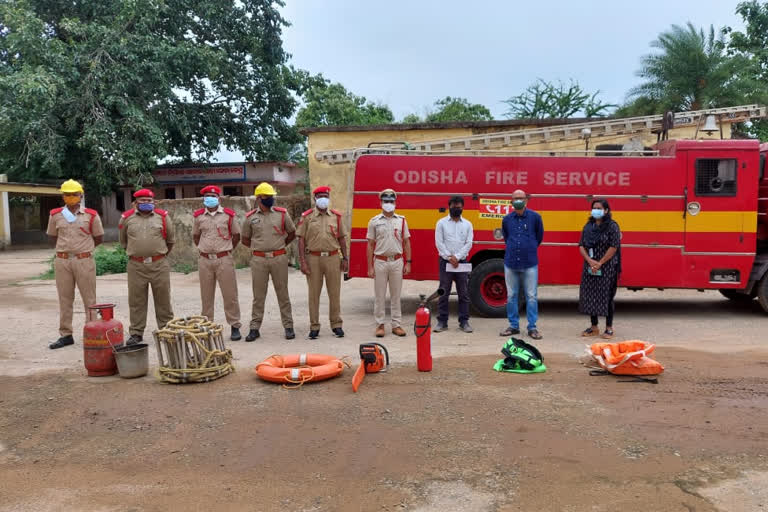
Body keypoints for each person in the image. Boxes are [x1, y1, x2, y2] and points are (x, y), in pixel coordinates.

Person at [46, 179, 104, 349]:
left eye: (74, 194)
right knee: (64, 298)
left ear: (80, 195)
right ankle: (66, 335)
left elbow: (99, 237)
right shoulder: (55, 214)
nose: (70, 197)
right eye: (67, 194)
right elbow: (52, 236)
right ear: (63, 196)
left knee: (89, 298)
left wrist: (83, 250)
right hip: (62, 260)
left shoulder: (91, 215)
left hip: (84, 260)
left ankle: (91, 332)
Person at [241, 182, 296, 341]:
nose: (270, 199)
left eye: (271, 197)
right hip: (258, 260)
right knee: (258, 295)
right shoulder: (250, 217)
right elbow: (245, 239)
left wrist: (279, 246)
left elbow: (291, 233)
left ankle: (288, 326)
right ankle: (254, 328)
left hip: (279, 258)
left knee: (283, 293)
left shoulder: (282, 214)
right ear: (259, 198)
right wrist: (260, 248)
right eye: (267, 197)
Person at [119, 189, 175, 345]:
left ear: (154, 202)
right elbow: (123, 241)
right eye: (142, 201)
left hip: (159, 264)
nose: (146, 203)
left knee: (163, 299)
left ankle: (166, 330)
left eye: (149, 201)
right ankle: (136, 333)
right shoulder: (126, 218)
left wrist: (157, 256)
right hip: (136, 265)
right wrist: (139, 254)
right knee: (136, 301)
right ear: (136, 203)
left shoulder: (163, 217)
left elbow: (170, 241)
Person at [296, 186, 348, 340]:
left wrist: (346, 258)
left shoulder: (336, 217)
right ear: (315, 199)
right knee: (313, 294)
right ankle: (314, 326)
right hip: (313, 258)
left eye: (325, 196)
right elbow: (301, 240)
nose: (323, 199)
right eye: (320, 196)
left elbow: (342, 239)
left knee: (334, 293)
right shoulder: (307, 217)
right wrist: (303, 262)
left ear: (329, 198)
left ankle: (336, 325)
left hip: (333, 258)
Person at [193, 185, 242, 341]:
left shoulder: (228, 215)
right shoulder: (198, 216)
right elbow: (196, 236)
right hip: (205, 260)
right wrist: (206, 249)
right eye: (207, 195)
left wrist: (226, 250)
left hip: (224, 259)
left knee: (230, 294)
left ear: (219, 198)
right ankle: (207, 326)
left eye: (213, 196)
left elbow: (236, 235)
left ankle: (235, 325)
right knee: (206, 295)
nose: (210, 198)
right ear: (203, 199)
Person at [366, 188, 412, 337]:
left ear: (395, 203)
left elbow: (406, 242)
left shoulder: (402, 220)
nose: (388, 204)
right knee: (379, 296)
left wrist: (408, 262)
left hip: (397, 261)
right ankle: (380, 325)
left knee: (396, 295)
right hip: (380, 262)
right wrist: (370, 267)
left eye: (391, 201)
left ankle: (396, 325)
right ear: (381, 203)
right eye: (386, 201)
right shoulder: (374, 221)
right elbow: (370, 245)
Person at [500, 189, 544, 340]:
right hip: (511, 262)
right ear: (511, 201)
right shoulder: (506, 219)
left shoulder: (535, 217)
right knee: (511, 295)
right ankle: (513, 326)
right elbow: (507, 238)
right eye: (515, 198)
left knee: (531, 296)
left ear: (526, 200)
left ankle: (532, 327)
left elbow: (539, 237)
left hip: (530, 263)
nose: (518, 200)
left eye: (521, 198)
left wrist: (528, 247)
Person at [578, 199, 621, 339]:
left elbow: (614, 247)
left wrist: (600, 263)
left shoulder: (612, 226)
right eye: (594, 208)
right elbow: (581, 245)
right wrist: (590, 261)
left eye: (599, 208)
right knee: (591, 296)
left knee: (607, 297)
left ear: (606, 211)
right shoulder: (588, 226)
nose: (596, 210)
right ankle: (594, 326)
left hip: (607, 266)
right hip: (590, 265)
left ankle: (609, 328)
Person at [434, 195, 473, 333]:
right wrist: (449, 257)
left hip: (461, 263)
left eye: (459, 206)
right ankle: (442, 322)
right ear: (449, 206)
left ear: (462, 207)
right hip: (446, 262)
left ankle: (464, 322)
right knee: (443, 292)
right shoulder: (441, 223)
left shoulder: (468, 224)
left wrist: (457, 257)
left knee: (463, 293)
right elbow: (439, 243)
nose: (456, 208)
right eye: (453, 205)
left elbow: (468, 243)